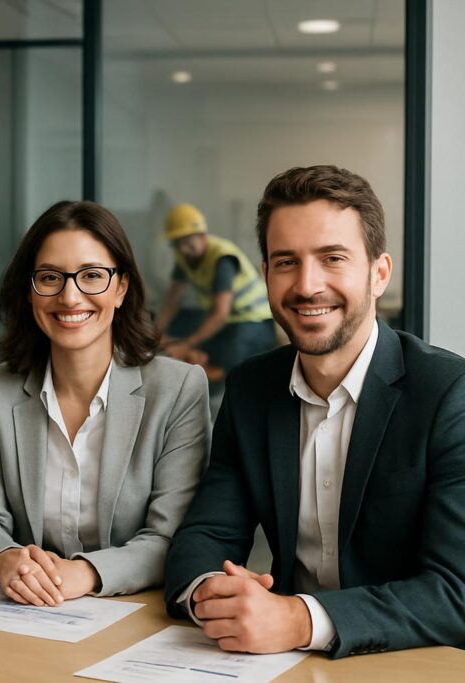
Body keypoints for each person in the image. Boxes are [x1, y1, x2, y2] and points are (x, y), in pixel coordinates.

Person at [164, 165, 465, 657]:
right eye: (286, 262)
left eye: (332, 258)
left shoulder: (449, 393)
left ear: (379, 273)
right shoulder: (251, 388)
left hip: (403, 662)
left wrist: (299, 619)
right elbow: (207, 533)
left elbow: (457, 591)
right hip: (278, 664)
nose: (306, 286)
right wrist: (210, 596)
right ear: (264, 274)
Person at [0, 200, 210, 606]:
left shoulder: (177, 388)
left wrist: (87, 573)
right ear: (30, 290)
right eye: (50, 277)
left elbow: (173, 537)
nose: (70, 297)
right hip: (27, 615)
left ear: (122, 287)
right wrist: (6, 560)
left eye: (92, 276)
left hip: (133, 615)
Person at [155, 203, 275, 372]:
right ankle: (203, 363)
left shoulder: (221, 258)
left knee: (231, 361)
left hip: (254, 321)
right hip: (229, 320)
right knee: (184, 326)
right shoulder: (184, 257)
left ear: (202, 235)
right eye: (177, 244)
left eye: (187, 242)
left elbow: (220, 315)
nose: (183, 249)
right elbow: (172, 300)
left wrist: (187, 344)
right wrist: (156, 334)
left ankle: (218, 379)